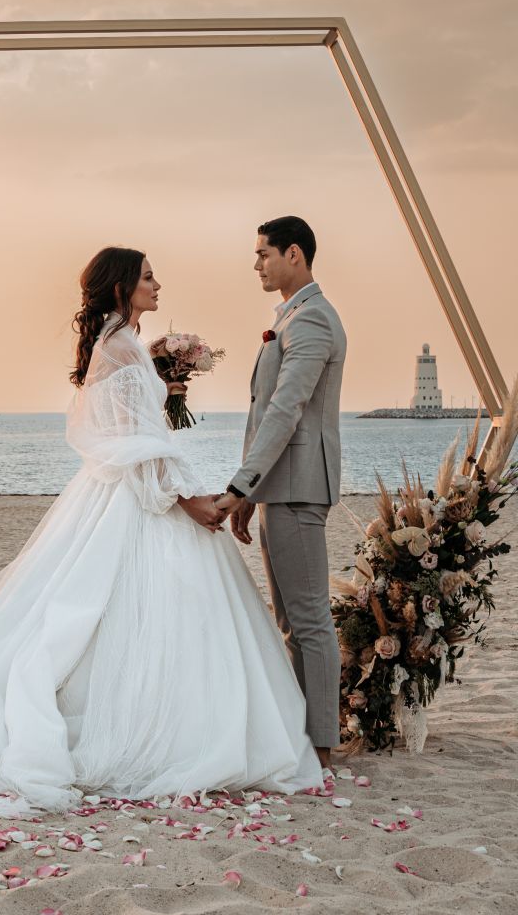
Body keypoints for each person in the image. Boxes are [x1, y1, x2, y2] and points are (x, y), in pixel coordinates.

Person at [0, 246, 322, 818]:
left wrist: (166, 400)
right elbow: (136, 446)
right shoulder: (120, 348)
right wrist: (193, 499)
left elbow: (138, 435)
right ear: (121, 286)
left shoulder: (119, 345)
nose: (158, 284)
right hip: (133, 501)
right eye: (148, 277)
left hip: (124, 495)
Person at [216, 217, 346, 774]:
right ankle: (302, 734)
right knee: (290, 619)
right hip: (278, 488)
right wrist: (252, 493)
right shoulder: (290, 315)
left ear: (294, 253)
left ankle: (320, 745)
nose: (257, 264)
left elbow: (285, 408)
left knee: (310, 619)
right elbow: (264, 411)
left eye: (264, 253)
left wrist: (241, 484)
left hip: (297, 488)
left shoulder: (313, 317)